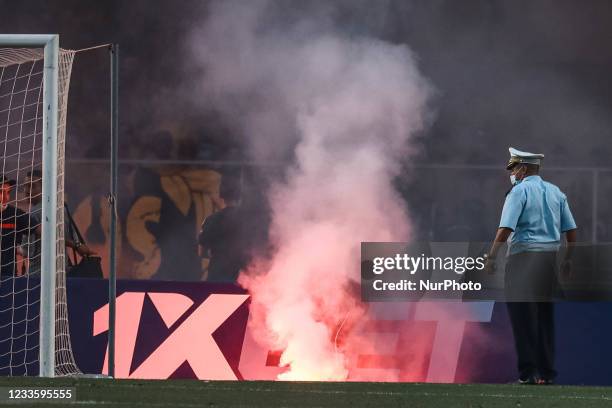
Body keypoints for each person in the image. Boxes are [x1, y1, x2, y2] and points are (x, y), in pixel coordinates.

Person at [485, 147, 577, 385]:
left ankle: (529, 373)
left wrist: (492, 256)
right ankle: (547, 373)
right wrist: (567, 259)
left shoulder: (519, 191)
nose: (513, 172)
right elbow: (571, 230)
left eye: (514, 167)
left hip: (524, 259)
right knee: (544, 318)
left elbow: (506, 228)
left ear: (523, 168)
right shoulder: (556, 192)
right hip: (549, 261)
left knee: (523, 317)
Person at [20, 170, 95, 275]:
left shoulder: (38, 212)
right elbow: (67, 235)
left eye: (32, 186)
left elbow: (28, 251)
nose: (27, 191)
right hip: (55, 271)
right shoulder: (59, 207)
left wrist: (12, 246)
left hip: (41, 273)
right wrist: (77, 245)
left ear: (44, 188)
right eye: (25, 186)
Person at [198, 177, 248, 283]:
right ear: (240, 197)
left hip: (217, 273)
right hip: (242, 277)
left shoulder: (211, 220)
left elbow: (201, 252)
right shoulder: (249, 221)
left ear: (222, 197)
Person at [0, 176, 32, 277]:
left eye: (8, 193)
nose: (5, 198)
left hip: (8, 275)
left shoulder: (16, 214)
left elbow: (39, 230)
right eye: (1, 192)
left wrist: (23, 249)